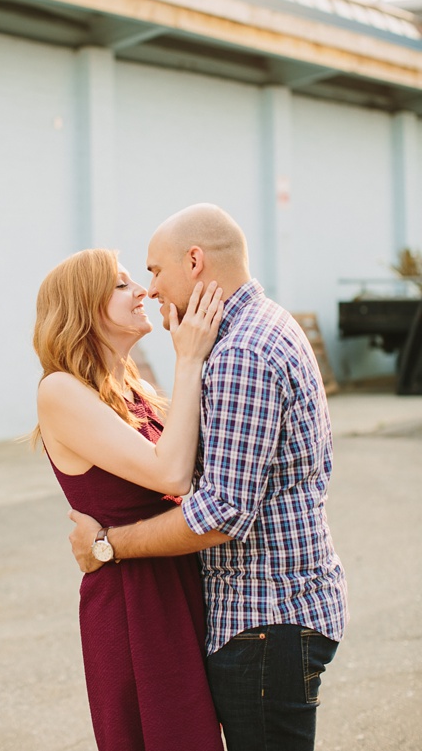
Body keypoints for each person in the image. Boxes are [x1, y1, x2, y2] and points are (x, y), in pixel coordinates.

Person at [68, 204, 348, 751]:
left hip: (266, 619)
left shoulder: (242, 351)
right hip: (272, 616)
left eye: (154, 271)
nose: (151, 289)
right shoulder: (255, 328)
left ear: (194, 261)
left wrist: (107, 546)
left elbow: (220, 512)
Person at [33, 248, 225, 751]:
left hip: (175, 579)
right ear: (82, 307)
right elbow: (173, 473)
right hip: (133, 603)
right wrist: (189, 357)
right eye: (121, 285)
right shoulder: (60, 389)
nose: (142, 291)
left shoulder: (130, 384)